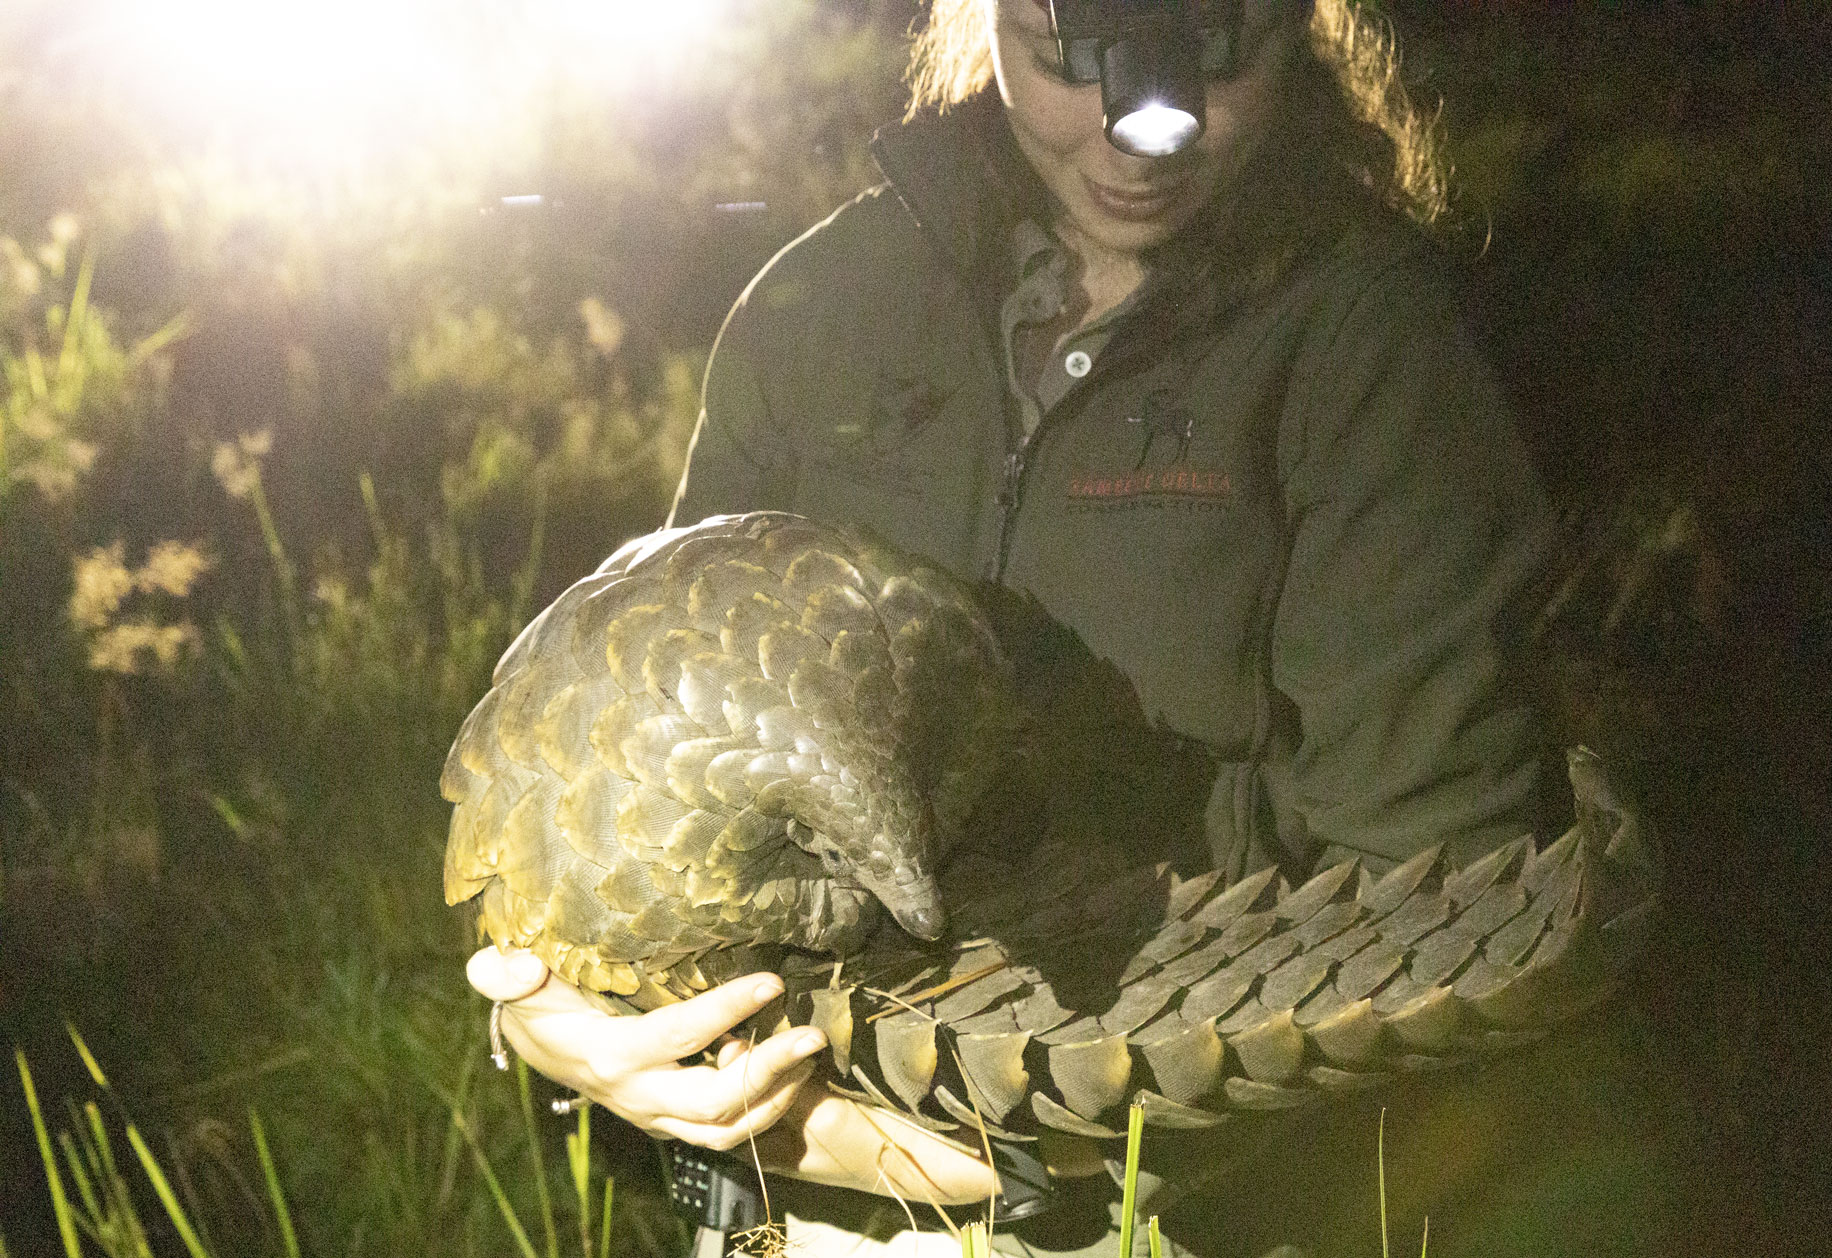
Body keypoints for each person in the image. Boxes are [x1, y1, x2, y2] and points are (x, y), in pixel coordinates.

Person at [470, 2, 1725, 1254]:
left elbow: (1424, 913)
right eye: (1073, 47)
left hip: (1166, 1195)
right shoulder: (821, 305)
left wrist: (999, 1153)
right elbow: (642, 747)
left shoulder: (1366, 341)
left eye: (1217, 44)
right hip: (786, 1208)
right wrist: (563, 1025)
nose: (1143, 133)